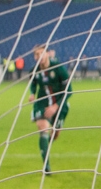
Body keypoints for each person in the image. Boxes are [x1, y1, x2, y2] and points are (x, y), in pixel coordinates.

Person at [28, 44, 71, 174]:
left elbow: (69, 91)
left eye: (41, 53)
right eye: (36, 54)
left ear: (47, 54)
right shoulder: (34, 70)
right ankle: (46, 165)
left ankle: (47, 142)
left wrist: (55, 106)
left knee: (55, 134)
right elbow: (33, 82)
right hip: (42, 103)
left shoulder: (58, 68)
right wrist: (32, 93)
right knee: (43, 127)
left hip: (59, 104)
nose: (39, 56)